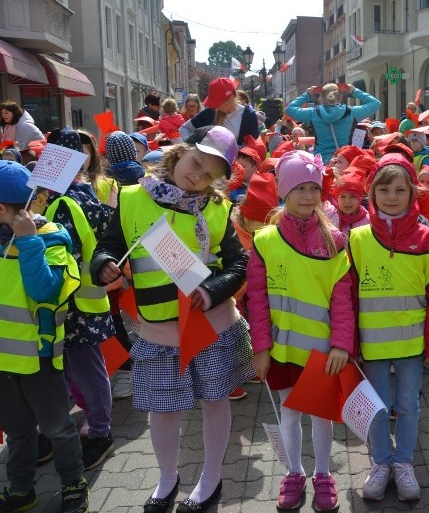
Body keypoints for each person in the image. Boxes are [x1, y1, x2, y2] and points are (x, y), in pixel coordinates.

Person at [90, 125, 253, 513]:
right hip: (159, 330)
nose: (197, 177)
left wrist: (213, 290)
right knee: (163, 409)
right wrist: (103, 265)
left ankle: (210, 478)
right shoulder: (131, 199)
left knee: (215, 401)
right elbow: (109, 246)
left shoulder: (217, 208)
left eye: (210, 175)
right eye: (195, 164)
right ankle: (166, 478)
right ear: (180, 152)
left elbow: (240, 263)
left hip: (209, 325)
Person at [247, 150, 354, 512]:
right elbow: (257, 302)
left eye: (314, 187)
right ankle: (294, 472)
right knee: (289, 413)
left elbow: (342, 300)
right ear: (283, 191)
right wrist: (260, 348)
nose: (308, 196)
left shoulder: (335, 241)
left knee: (321, 415)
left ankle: (323, 473)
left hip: (322, 351)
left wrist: (341, 344)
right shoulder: (264, 242)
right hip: (280, 351)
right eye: (300, 188)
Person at [350, 155, 429, 503]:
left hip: (412, 344)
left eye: (400, 190)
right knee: (377, 407)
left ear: (413, 193)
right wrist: (349, 343)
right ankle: (380, 463)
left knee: (407, 406)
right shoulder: (358, 239)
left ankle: (403, 463)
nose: (392, 197)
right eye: (384, 189)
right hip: (371, 345)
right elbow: (347, 295)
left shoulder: (427, 239)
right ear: (372, 193)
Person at [0, 160, 90, 513]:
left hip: (39, 358)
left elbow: (46, 291)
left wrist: (28, 241)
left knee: (58, 429)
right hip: (4, 361)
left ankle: (73, 484)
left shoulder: (51, 238)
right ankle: (22, 490)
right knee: (18, 432)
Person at [42, 128, 117, 471]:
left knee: (86, 370)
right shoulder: (67, 196)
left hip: (77, 306)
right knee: (72, 368)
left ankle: (100, 432)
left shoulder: (68, 201)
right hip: (69, 305)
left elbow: (62, 255)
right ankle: (77, 427)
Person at [285, 83, 381, 162]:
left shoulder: (312, 113)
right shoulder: (352, 112)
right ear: (339, 96)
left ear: (321, 97)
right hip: (344, 160)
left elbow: (289, 109)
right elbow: (375, 103)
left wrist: (308, 94)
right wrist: (354, 91)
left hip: (320, 161)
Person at [179, 77, 260, 145]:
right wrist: (191, 146)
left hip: (238, 163)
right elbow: (184, 128)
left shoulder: (249, 115)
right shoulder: (211, 111)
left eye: (218, 102)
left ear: (232, 96)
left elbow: (253, 148)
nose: (216, 107)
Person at [334, 169, 369, 235]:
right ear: (336, 198)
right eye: (343, 197)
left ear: (360, 198)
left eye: (353, 196)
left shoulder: (368, 221)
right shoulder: (331, 219)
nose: (347, 201)